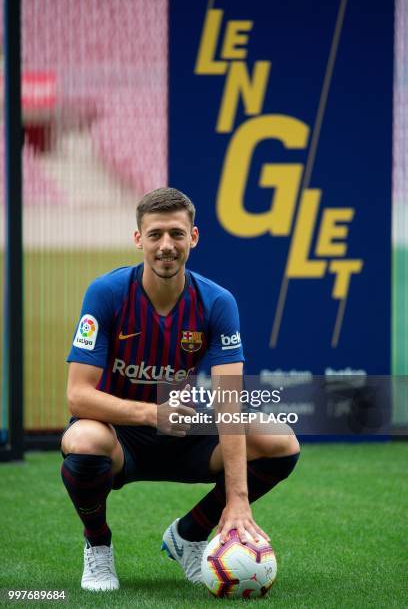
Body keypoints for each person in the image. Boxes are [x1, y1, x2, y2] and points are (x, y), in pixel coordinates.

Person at [60, 187, 300, 591]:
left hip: (184, 432)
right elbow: (78, 396)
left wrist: (238, 497)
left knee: (280, 441)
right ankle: (98, 545)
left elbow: (229, 400)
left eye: (176, 233)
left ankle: (190, 534)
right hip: (121, 436)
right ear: (139, 239)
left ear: (194, 237)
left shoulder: (217, 302)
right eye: (155, 235)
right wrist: (152, 414)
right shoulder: (106, 293)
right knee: (82, 439)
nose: (166, 246)